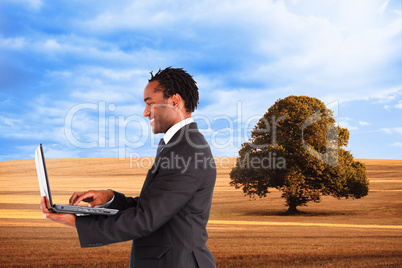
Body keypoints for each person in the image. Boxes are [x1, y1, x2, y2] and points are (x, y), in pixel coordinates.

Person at [41, 67, 217, 268]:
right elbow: (155, 207)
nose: (145, 112)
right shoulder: (179, 145)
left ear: (175, 101)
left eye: (149, 103)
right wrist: (110, 198)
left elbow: (146, 219)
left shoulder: (187, 150)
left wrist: (77, 222)